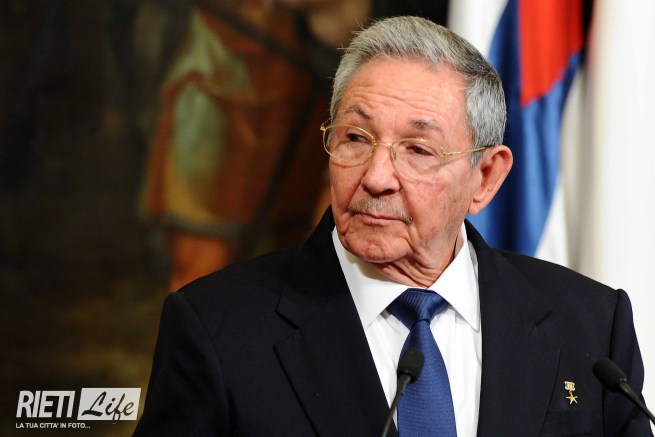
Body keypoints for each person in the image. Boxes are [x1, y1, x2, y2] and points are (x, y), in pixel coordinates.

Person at [134, 16, 652, 436]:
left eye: (418, 150)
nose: (376, 177)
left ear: (485, 178)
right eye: (355, 138)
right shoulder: (217, 329)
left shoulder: (590, 325)